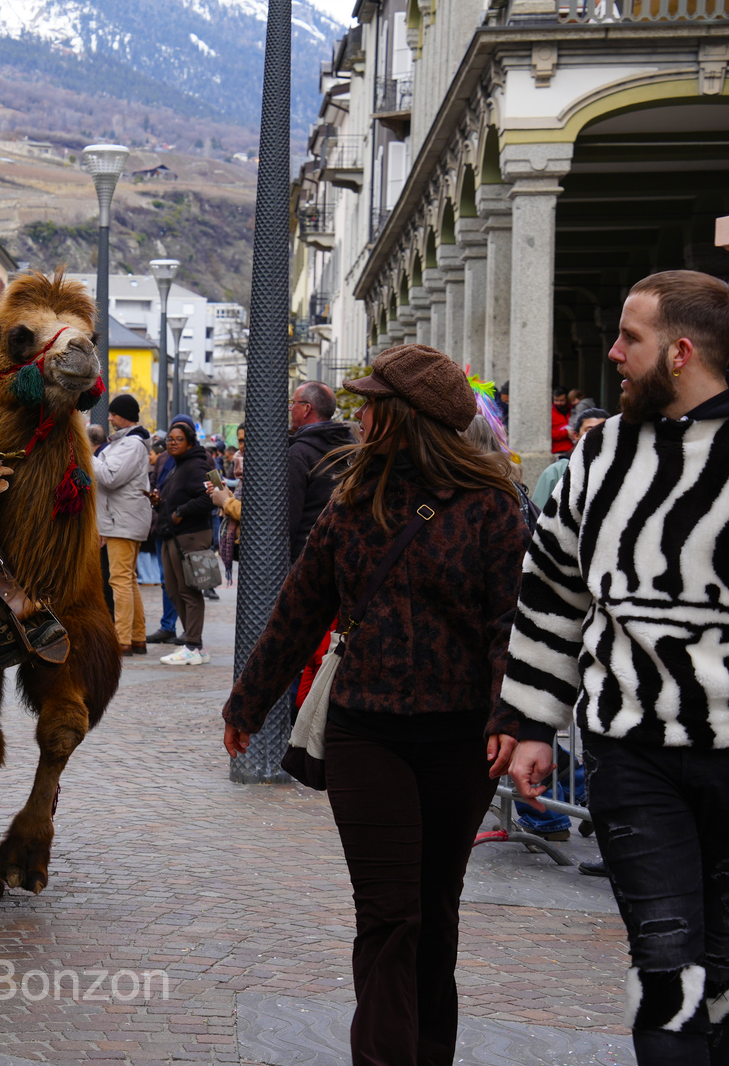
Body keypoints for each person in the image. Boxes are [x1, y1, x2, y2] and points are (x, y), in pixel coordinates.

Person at [222, 343, 530, 1066]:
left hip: (460, 741)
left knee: (435, 914)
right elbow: (299, 609)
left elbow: (507, 627)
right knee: (390, 915)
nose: (358, 416)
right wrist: (248, 701)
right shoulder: (351, 504)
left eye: (370, 405)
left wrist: (511, 722)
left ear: (404, 418)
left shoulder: (493, 508)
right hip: (367, 734)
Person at [504, 271, 729, 1066]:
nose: (612, 353)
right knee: (667, 967)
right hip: (630, 752)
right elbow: (552, 592)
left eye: (629, 338)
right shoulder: (599, 455)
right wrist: (533, 723)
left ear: (678, 353)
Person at [150, 420, 216, 665]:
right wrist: (160, 504)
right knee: (173, 590)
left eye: (178, 439)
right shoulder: (175, 465)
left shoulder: (197, 465)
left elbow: (209, 498)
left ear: (189, 443)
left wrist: (181, 512)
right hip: (171, 535)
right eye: (170, 439)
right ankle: (193, 642)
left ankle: (193, 645)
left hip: (190, 535)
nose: (172, 443)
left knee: (189, 590)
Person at [94, 394, 152, 656]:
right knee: (128, 579)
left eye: (113, 414)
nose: (109, 417)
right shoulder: (127, 443)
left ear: (124, 415)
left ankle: (122, 639)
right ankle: (136, 637)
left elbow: (109, 476)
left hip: (122, 521)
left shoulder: (132, 445)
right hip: (122, 520)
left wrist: (88, 454)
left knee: (119, 580)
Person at [287, 381, 355, 563]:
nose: (290, 408)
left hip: (303, 557)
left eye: (293, 403)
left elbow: (288, 517)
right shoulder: (352, 447)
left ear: (306, 408)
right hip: (343, 552)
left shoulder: (299, 453)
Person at [532, 406, 606, 511]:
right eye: (590, 430)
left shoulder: (621, 469)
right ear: (576, 435)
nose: (598, 435)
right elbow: (538, 514)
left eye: (603, 429)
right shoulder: (555, 472)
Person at [551, 386, 574, 456]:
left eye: (561, 400)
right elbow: (546, 434)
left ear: (567, 399)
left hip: (574, 450)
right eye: (556, 400)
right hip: (558, 451)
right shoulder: (549, 413)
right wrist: (566, 433)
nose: (558, 403)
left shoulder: (573, 411)